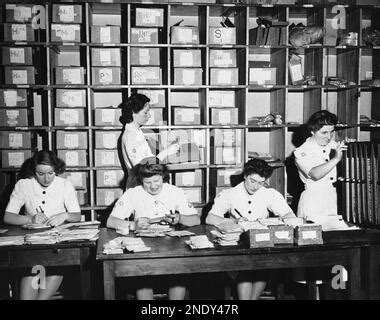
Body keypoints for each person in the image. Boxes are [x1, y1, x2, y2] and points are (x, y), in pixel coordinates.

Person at [107, 160, 200, 300]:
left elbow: (195, 220)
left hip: (171, 246)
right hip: (143, 247)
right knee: (143, 278)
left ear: (163, 177)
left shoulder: (175, 191)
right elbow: (111, 221)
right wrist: (133, 225)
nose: (153, 186)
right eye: (147, 182)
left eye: (157, 181)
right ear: (141, 181)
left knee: (179, 274)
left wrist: (180, 218)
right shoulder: (133, 193)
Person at [206, 158, 296, 300]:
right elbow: (210, 218)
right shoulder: (229, 194)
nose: (255, 186)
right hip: (238, 246)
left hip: (261, 243)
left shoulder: (270, 194)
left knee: (263, 268)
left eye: (261, 182)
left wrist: (277, 220)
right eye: (252, 181)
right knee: (245, 270)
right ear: (245, 176)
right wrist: (233, 220)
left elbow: (290, 216)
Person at [4, 150, 81, 300]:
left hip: (56, 245)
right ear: (34, 171)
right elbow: (8, 216)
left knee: (56, 269)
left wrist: (65, 215)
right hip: (32, 245)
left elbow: (76, 216)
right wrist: (30, 219)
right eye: (40, 174)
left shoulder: (64, 185)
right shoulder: (24, 185)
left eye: (50, 173)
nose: (46, 179)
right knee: (31, 276)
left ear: (56, 170)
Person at [294, 110, 347, 221]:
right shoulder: (302, 151)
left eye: (331, 132)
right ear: (313, 131)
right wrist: (336, 158)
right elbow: (315, 174)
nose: (329, 137)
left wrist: (351, 150)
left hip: (334, 199)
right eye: (324, 133)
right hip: (314, 202)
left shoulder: (334, 145)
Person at [119, 93, 179, 189]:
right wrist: (165, 153)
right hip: (139, 186)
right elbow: (142, 168)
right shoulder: (131, 136)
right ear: (133, 113)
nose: (149, 115)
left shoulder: (137, 131)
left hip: (145, 184)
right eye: (145, 112)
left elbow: (146, 158)